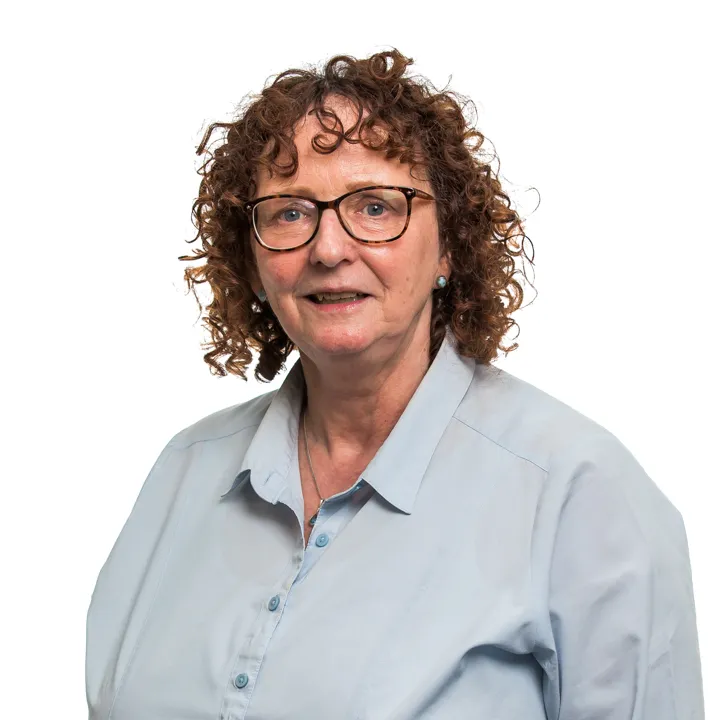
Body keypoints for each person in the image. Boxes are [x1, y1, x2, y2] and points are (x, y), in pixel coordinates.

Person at [85, 49, 705, 719]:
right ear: (254, 261)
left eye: (376, 207)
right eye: (290, 213)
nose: (328, 249)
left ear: (449, 246)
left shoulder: (578, 493)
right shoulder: (184, 471)